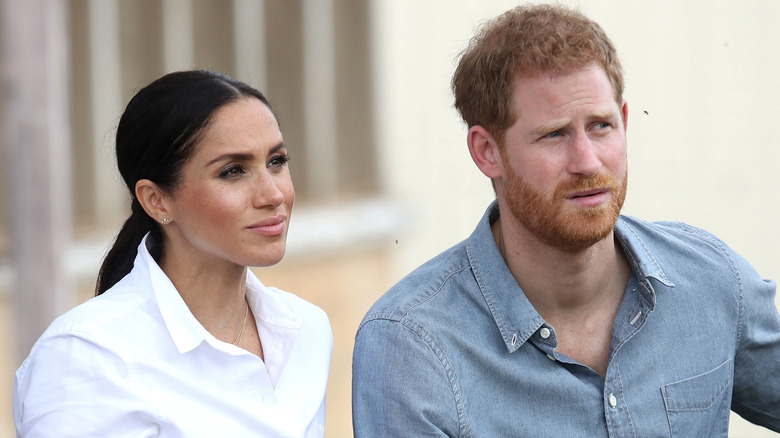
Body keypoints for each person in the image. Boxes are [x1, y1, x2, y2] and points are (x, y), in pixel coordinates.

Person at [352, 4, 780, 437]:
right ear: (487, 151)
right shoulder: (411, 346)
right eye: (554, 134)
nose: (587, 161)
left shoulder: (713, 283)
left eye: (600, 126)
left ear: (625, 121)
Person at [13, 70, 332, 437]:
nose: (273, 194)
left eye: (276, 161)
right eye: (233, 171)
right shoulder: (88, 357)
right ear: (156, 199)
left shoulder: (306, 329)